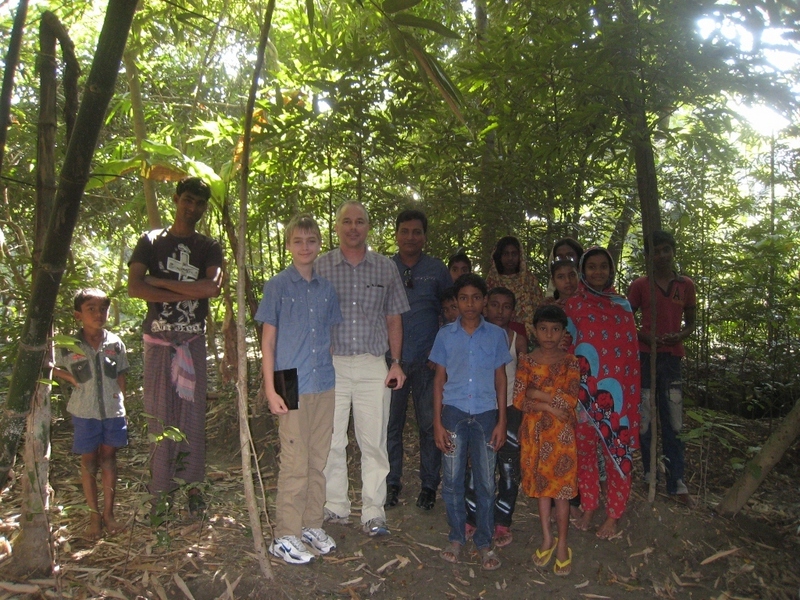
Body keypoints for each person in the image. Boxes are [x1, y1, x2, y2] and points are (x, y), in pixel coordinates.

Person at [128, 176, 223, 516]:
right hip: (157, 342)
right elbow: (135, 288)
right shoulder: (150, 241)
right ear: (175, 198)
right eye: (187, 200)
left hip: (192, 342)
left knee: (192, 419)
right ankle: (161, 495)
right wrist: (187, 288)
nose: (192, 208)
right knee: (159, 417)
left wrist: (159, 282)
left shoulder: (209, 246)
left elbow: (211, 289)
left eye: (199, 203)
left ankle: (193, 490)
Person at [316, 201, 409, 537]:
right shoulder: (322, 266)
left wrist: (395, 363)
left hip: (373, 364)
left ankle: (373, 511)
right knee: (331, 439)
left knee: (373, 441)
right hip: (333, 365)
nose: (353, 227)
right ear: (337, 226)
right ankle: (336, 506)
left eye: (359, 221)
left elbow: (394, 317)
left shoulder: (384, 268)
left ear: (368, 227)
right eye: (346, 221)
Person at [255, 214, 343, 565]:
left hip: (323, 380)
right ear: (289, 245)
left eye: (311, 241)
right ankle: (286, 535)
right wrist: (271, 389)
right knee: (294, 460)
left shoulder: (326, 289)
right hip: (288, 380)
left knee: (318, 459)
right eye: (298, 241)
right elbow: (268, 343)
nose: (305, 247)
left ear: (319, 244)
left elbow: (329, 339)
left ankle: (311, 524)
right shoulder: (278, 285)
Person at [431, 274, 511, 571]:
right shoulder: (445, 335)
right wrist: (438, 422)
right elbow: (439, 380)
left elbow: (500, 379)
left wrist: (502, 420)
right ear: (456, 302)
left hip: (485, 413)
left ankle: (485, 542)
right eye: (463, 298)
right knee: (452, 480)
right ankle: (456, 536)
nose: (469, 304)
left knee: (486, 482)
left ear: (484, 301)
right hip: (453, 412)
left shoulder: (496, 335)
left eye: (475, 298)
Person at [565, 247, 640, 539]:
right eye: (592, 267)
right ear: (583, 271)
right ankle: (589, 505)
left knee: (617, 453)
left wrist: (629, 399)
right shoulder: (573, 306)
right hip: (584, 393)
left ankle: (613, 515)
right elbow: (567, 347)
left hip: (617, 396)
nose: (598, 272)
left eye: (603, 267)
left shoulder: (622, 305)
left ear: (611, 270)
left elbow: (631, 357)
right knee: (584, 453)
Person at [386, 210, 452, 511]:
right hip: (392, 362)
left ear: (424, 236)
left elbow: (448, 311)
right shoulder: (385, 267)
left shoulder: (436, 270)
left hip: (427, 362)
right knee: (391, 426)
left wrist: (440, 354)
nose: (410, 237)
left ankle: (428, 484)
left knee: (429, 424)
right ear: (396, 234)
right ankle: (391, 482)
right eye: (405, 231)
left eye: (416, 232)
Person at [54, 288, 129, 540]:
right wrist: (73, 379)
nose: (98, 314)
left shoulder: (115, 342)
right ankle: (93, 516)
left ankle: (109, 514)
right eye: (91, 309)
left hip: (112, 411)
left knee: (108, 459)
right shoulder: (68, 345)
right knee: (89, 462)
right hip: (85, 412)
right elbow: (50, 367)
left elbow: (121, 375)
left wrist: (122, 403)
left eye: (103, 309)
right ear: (78, 315)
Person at [628, 230, 696, 505]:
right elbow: (627, 320)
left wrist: (680, 335)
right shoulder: (640, 285)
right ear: (649, 256)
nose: (662, 255)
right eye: (656, 251)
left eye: (666, 249)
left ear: (673, 251)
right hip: (645, 358)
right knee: (645, 419)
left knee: (673, 421)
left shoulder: (685, 285)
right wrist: (645, 338)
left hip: (672, 359)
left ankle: (676, 480)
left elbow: (691, 321)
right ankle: (648, 473)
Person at [513, 304, 580, 576]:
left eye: (555, 329)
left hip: (561, 437)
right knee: (542, 491)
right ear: (534, 331)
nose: (549, 335)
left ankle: (563, 544)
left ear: (564, 332)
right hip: (535, 435)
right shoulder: (527, 360)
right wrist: (550, 405)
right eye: (543, 329)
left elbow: (570, 399)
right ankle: (547, 538)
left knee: (561, 493)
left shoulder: (570, 361)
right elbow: (519, 398)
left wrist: (537, 394)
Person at [465, 287, 527, 547]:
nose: (500, 311)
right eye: (495, 305)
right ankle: (473, 516)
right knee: (476, 463)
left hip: (511, 408)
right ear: (486, 307)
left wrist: (522, 412)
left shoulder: (517, 339)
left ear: (513, 311)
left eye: (506, 306)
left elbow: (524, 378)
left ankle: (502, 520)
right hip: (481, 407)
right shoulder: (474, 335)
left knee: (509, 466)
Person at [485, 236, 543, 340]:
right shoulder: (492, 281)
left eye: (514, 254)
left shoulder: (529, 280)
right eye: (506, 254)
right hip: (495, 335)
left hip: (530, 337)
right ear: (499, 256)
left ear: (520, 255)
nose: (510, 258)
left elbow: (539, 309)